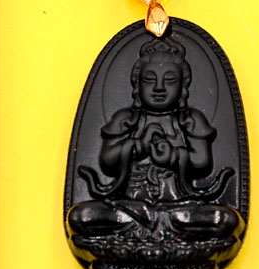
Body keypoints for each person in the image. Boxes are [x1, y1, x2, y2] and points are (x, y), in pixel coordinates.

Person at [67, 37, 242, 240]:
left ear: (183, 86)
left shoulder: (190, 120)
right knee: (80, 216)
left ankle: (147, 230)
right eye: (149, 80)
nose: (159, 88)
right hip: (129, 206)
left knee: (224, 219)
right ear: (137, 85)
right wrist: (138, 146)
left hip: (177, 206)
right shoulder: (126, 119)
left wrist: (172, 156)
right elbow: (108, 160)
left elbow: (202, 162)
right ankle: (158, 230)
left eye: (170, 81)